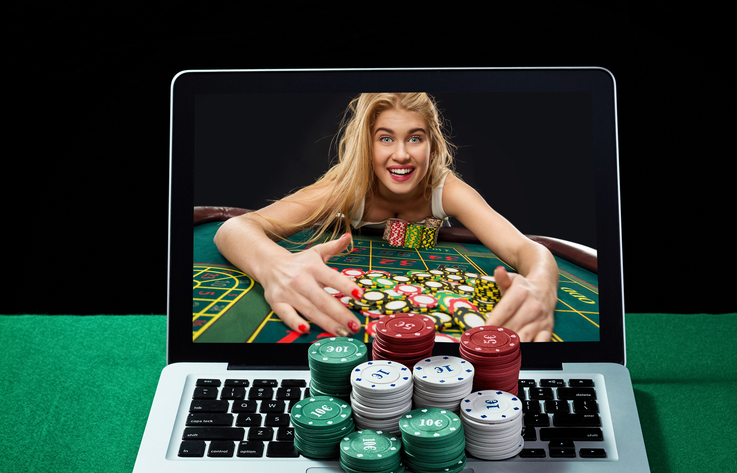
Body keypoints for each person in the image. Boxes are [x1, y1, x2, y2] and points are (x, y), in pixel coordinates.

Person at [214, 92, 558, 342]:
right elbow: (235, 228)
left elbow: (528, 251)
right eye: (385, 138)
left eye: (415, 138)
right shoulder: (346, 187)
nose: (402, 154)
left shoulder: (447, 189)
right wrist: (276, 266)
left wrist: (541, 288)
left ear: (432, 147)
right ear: (368, 145)